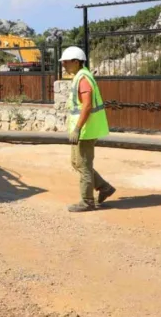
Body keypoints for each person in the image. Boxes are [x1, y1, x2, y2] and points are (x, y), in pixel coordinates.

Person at [60, 46, 116, 212]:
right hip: (83, 129)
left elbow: (87, 105)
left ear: (76, 62)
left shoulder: (83, 78)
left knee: (84, 165)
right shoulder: (80, 76)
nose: (63, 65)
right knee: (76, 162)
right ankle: (104, 187)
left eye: (66, 62)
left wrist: (77, 128)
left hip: (85, 129)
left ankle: (87, 201)